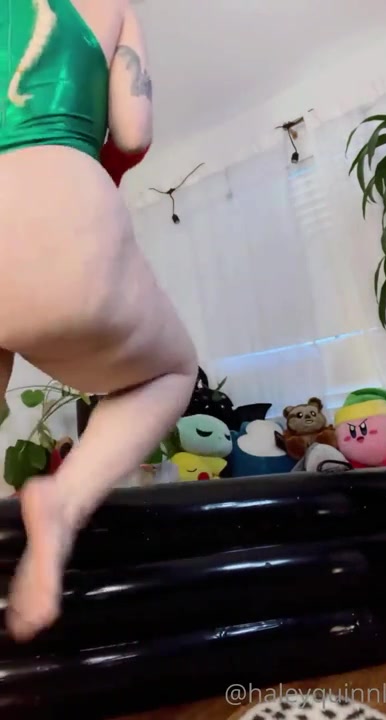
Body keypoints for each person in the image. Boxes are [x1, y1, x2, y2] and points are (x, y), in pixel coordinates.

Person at [0, 0, 197, 642]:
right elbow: (132, 133)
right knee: (172, 369)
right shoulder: (113, 7)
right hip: (63, 198)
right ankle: (63, 501)